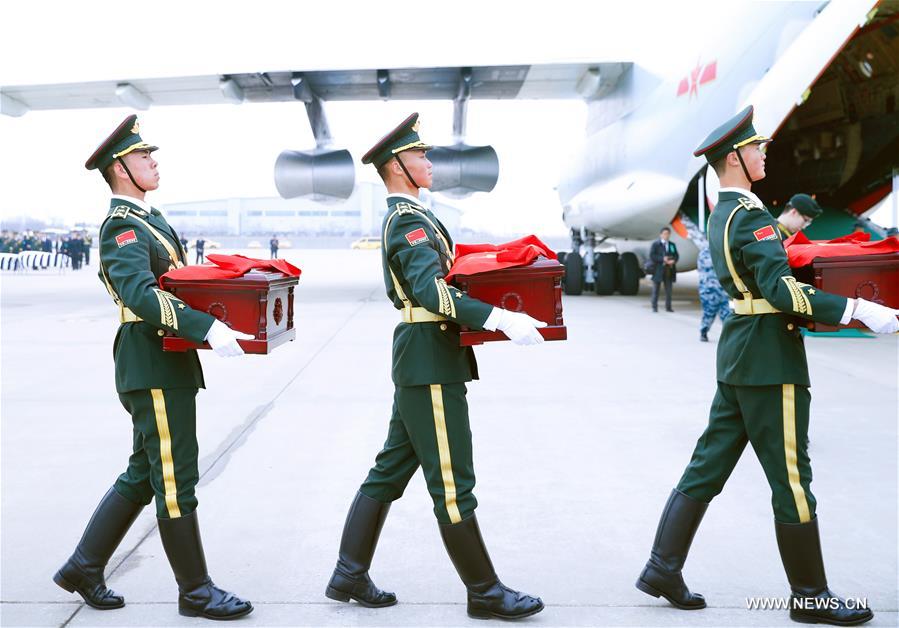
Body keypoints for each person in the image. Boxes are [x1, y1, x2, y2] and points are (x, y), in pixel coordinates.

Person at [635, 105, 897, 626]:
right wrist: (856, 311)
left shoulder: (723, 214)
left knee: (706, 466)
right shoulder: (750, 216)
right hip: (769, 360)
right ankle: (810, 595)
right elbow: (780, 290)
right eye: (756, 147)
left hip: (739, 354)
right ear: (735, 158)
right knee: (792, 478)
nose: (763, 153)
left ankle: (662, 567)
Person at [325, 113, 546, 621]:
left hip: (425, 356)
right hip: (429, 358)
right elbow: (430, 291)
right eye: (420, 155)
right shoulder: (407, 221)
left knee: (388, 471)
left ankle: (349, 572)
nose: (429, 161)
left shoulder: (416, 216)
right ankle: (484, 591)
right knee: (451, 480)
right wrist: (498, 317)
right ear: (398, 166)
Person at [54, 115, 255, 621]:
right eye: (144, 156)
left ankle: (84, 566)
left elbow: (177, 282)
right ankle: (195, 591)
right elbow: (141, 295)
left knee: (146, 471)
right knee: (174, 474)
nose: (153, 161)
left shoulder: (149, 220)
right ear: (120, 168)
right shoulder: (122, 226)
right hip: (150, 356)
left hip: (166, 357)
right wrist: (203, 326)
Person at [697, 244, 731, 342]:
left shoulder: (721, 253)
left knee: (727, 314)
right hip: (708, 291)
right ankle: (704, 331)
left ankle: (728, 334)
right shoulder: (704, 253)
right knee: (709, 313)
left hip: (722, 290)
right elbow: (709, 264)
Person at [649, 227, 678, 312]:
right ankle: (654, 307)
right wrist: (662, 259)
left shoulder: (672, 245)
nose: (666, 235)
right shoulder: (656, 244)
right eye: (664, 234)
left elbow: (676, 255)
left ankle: (668, 307)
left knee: (669, 290)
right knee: (656, 290)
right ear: (661, 235)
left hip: (669, 270)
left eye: (668, 234)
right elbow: (652, 256)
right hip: (658, 269)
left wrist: (673, 260)